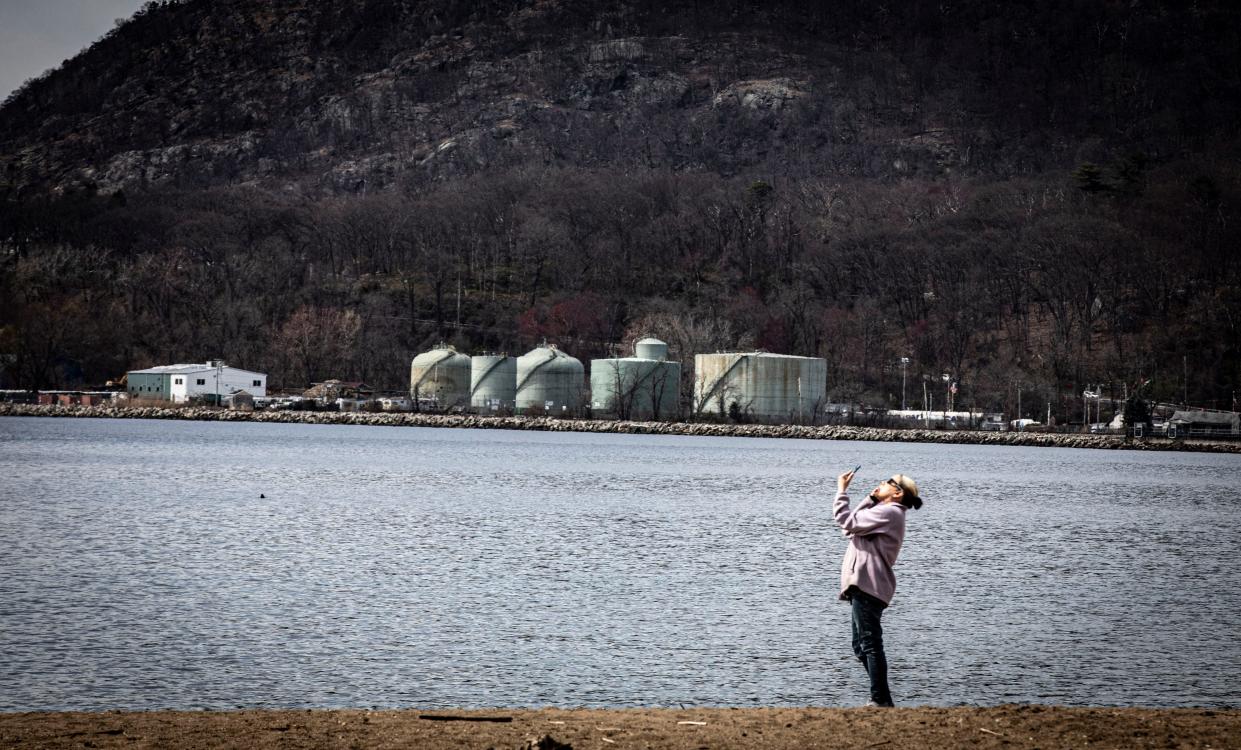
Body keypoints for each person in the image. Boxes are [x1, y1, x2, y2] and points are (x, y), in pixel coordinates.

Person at [833, 469, 923, 707]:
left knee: (870, 644)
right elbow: (849, 528)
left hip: (868, 585)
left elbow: (845, 520)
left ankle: (880, 699)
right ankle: (883, 698)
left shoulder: (890, 512)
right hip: (863, 585)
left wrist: (842, 490)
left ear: (897, 492)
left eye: (887, 482)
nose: (881, 483)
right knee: (860, 646)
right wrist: (869, 499)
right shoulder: (883, 511)